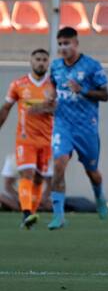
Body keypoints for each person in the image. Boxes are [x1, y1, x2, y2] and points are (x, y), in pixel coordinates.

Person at [48, 27, 108, 230]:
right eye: (60, 44)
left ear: (76, 43)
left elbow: (105, 95)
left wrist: (82, 90)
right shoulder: (55, 66)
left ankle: (99, 195)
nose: (63, 48)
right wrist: (50, 98)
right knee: (59, 164)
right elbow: (52, 87)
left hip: (86, 128)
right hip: (62, 125)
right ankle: (59, 215)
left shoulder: (92, 66)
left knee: (92, 172)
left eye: (67, 43)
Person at [0, 49, 55, 229]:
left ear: (48, 63)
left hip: (47, 139)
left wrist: (42, 108)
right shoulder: (18, 84)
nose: (40, 63)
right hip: (25, 139)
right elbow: (6, 107)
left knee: (39, 178)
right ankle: (26, 214)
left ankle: (31, 212)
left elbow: (59, 109)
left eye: (44, 60)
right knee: (27, 173)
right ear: (31, 62)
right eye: (37, 59)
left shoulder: (54, 85)